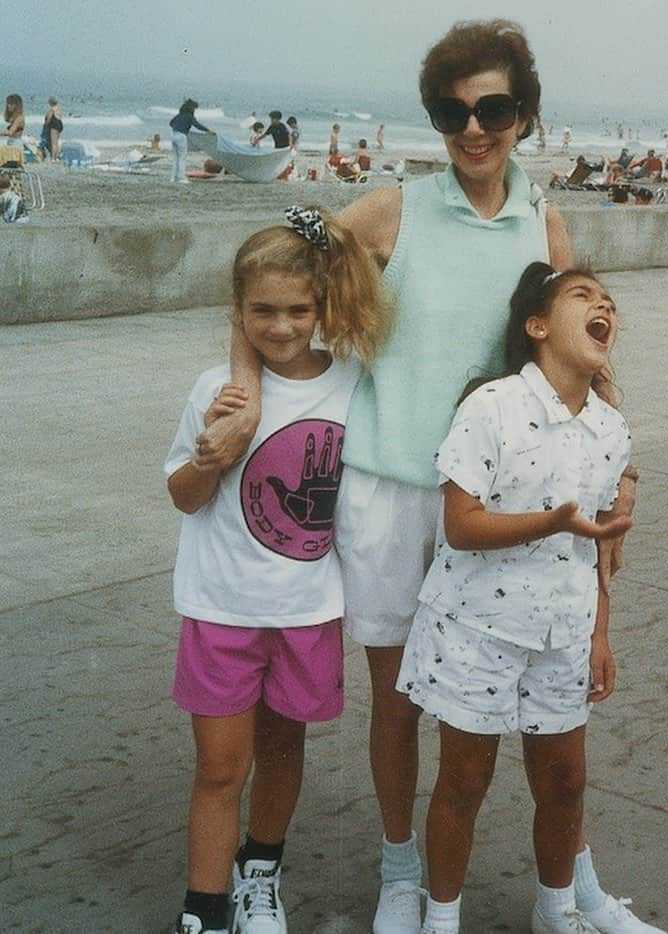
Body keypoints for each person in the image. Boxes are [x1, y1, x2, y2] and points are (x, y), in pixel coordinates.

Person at [199, 20, 637, 934]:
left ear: (525, 115)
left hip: (495, 497)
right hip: (394, 487)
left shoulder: (540, 219)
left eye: (494, 108)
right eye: (452, 112)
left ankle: (573, 886)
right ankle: (403, 875)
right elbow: (271, 252)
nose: (473, 129)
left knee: (538, 694)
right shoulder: (396, 207)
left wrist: (616, 463)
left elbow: (572, 346)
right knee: (400, 696)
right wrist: (245, 381)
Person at [398, 261, 662, 934]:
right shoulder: (492, 406)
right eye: (583, 297)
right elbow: (460, 525)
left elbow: (598, 545)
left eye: (608, 302)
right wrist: (551, 520)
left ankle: (558, 912)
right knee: (462, 783)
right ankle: (441, 920)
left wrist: (600, 635)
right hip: (476, 629)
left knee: (566, 783)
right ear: (538, 326)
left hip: (563, 632)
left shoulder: (611, 429)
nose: (602, 307)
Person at [164, 206, 391, 934]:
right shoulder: (216, 392)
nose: (283, 326)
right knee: (220, 769)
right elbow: (182, 496)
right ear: (238, 312)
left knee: (283, 750)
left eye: (299, 309)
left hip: (307, 610)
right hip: (221, 609)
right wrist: (207, 460)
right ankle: (204, 908)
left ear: (321, 306)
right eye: (262, 310)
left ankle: (260, 873)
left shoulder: (356, 384)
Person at [169, 99, 212, 184]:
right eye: (194, 108)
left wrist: (179, 126)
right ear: (191, 108)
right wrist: (208, 130)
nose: (194, 110)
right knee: (182, 158)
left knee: (176, 158)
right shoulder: (189, 116)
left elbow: (171, 123)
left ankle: (173, 178)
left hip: (173, 135)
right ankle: (181, 178)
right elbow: (197, 125)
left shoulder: (179, 115)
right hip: (181, 136)